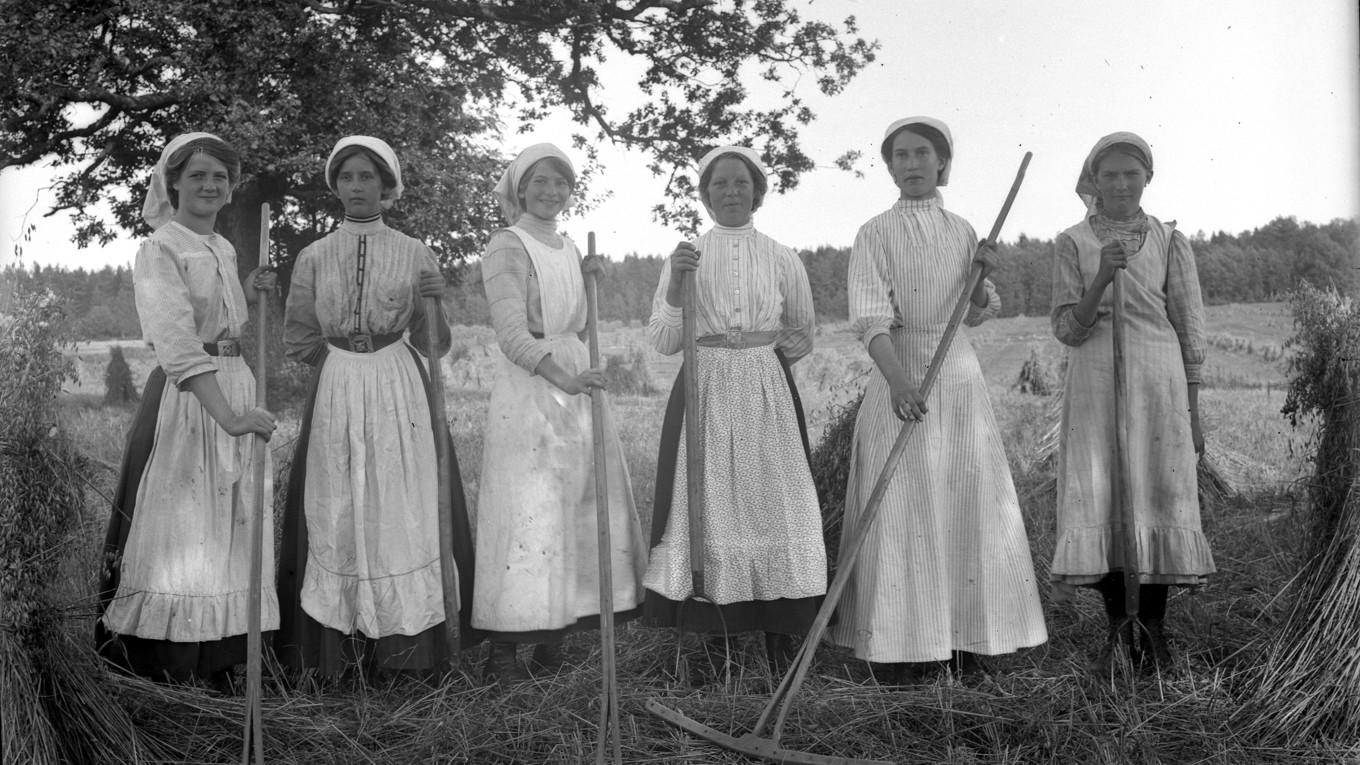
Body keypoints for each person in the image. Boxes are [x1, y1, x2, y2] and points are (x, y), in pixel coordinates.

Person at [830, 117, 1047, 684]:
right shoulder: (873, 233)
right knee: (903, 505)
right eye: (900, 155)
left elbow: (974, 311)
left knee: (963, 499)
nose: (911, 164)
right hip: (900, 374)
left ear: (942, 163)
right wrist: (900, 383)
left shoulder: (962, 230)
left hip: (956, 376)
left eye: (922, 153)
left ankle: (968, 641)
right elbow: (871, 320)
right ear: (890, 166)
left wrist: (981, 278)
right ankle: (903, 647)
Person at [276, 135, 477, 678]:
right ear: (335, 186)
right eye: (347, 178)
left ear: (387, 188)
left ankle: (409, 654)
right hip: (337, 383)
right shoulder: (313, 256)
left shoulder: (415, 252)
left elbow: (434, 343)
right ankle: (335, 655)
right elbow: (298, 337)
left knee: (400, 504)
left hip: (398, 382)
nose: (357, 187)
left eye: (368, 177)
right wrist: (345, 364)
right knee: (337, 501)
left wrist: (434, 301)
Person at [96, 132, 279, 688]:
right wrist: (228, 417)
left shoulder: (221, 247)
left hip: (234, 384)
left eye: (220, 177)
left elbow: (222, 322)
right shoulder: (160, 248)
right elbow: (177, 341)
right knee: (182, 529)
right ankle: (168, 668)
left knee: (227, 529)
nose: (209, 185)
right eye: (197, 174)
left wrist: (247, 290)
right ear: (171, 181)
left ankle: (223, 660)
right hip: (189, 399)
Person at [643, 145, 826, 681]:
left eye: (740, 183)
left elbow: (801, 331)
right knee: (710, 505)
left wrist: (757, 366)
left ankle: (781, 640)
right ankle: (714, 645)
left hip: (765, 386)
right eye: (718, 184)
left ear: (757, 192)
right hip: (704, 388)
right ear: (704, 195)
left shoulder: (780, 254)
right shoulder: (685, 255)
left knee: (776, 500)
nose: (730, 193)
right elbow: (663, 338)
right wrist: (679, 285)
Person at [474, 143, 646, 682]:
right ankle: (506, 647)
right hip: (531, 392)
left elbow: (582, 330)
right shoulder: (506, 246)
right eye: (540, 182)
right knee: (528, 511)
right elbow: (510, 335)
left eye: (562, 184)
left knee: (572, 510)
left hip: (577, 385)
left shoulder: (570, 247)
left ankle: (553, 643)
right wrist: (563, 380)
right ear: (520, 188)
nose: (551, 193)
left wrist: (593, 284)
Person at [1050, 132, 1214, 671]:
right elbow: (1067, 330)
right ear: (1092, 180)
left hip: (1158, 385)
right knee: (1104, 496)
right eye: (1110, 175)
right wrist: (1101, 275)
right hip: (1096, 381)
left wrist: (1193, 411)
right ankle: (1119, 629)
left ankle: (1155, 631)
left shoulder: (1170, 241)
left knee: (1156, 495)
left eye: (1131, 174)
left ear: (1147, 177)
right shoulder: (1072, 242)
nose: (1121, 184)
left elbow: (1189, 329)